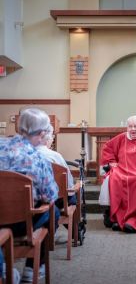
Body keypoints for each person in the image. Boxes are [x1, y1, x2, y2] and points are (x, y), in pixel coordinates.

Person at [0, 108, 59, 283]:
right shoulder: (38, 159)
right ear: (42, 134)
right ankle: (33, 266)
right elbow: (50, 196)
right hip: (20, 223)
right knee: (52, 211)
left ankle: (4, 269)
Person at [37, 126, 77, 207]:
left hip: (26, 202)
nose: (52, 139)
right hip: (55, 200)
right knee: (73, 195)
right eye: (52, 136)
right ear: (46, 138)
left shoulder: (21, 155)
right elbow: (68, 184)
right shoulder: (55, 156)